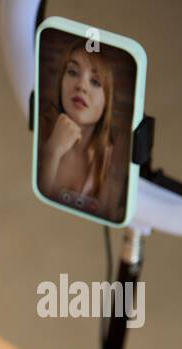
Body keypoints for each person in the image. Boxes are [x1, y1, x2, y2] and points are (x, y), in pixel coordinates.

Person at [38, 39, 120, 218]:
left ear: (107, 101)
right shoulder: (39, 131)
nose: (81, 86)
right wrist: (52, 152)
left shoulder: (110, 159)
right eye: (73, 72)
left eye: (95, 82)